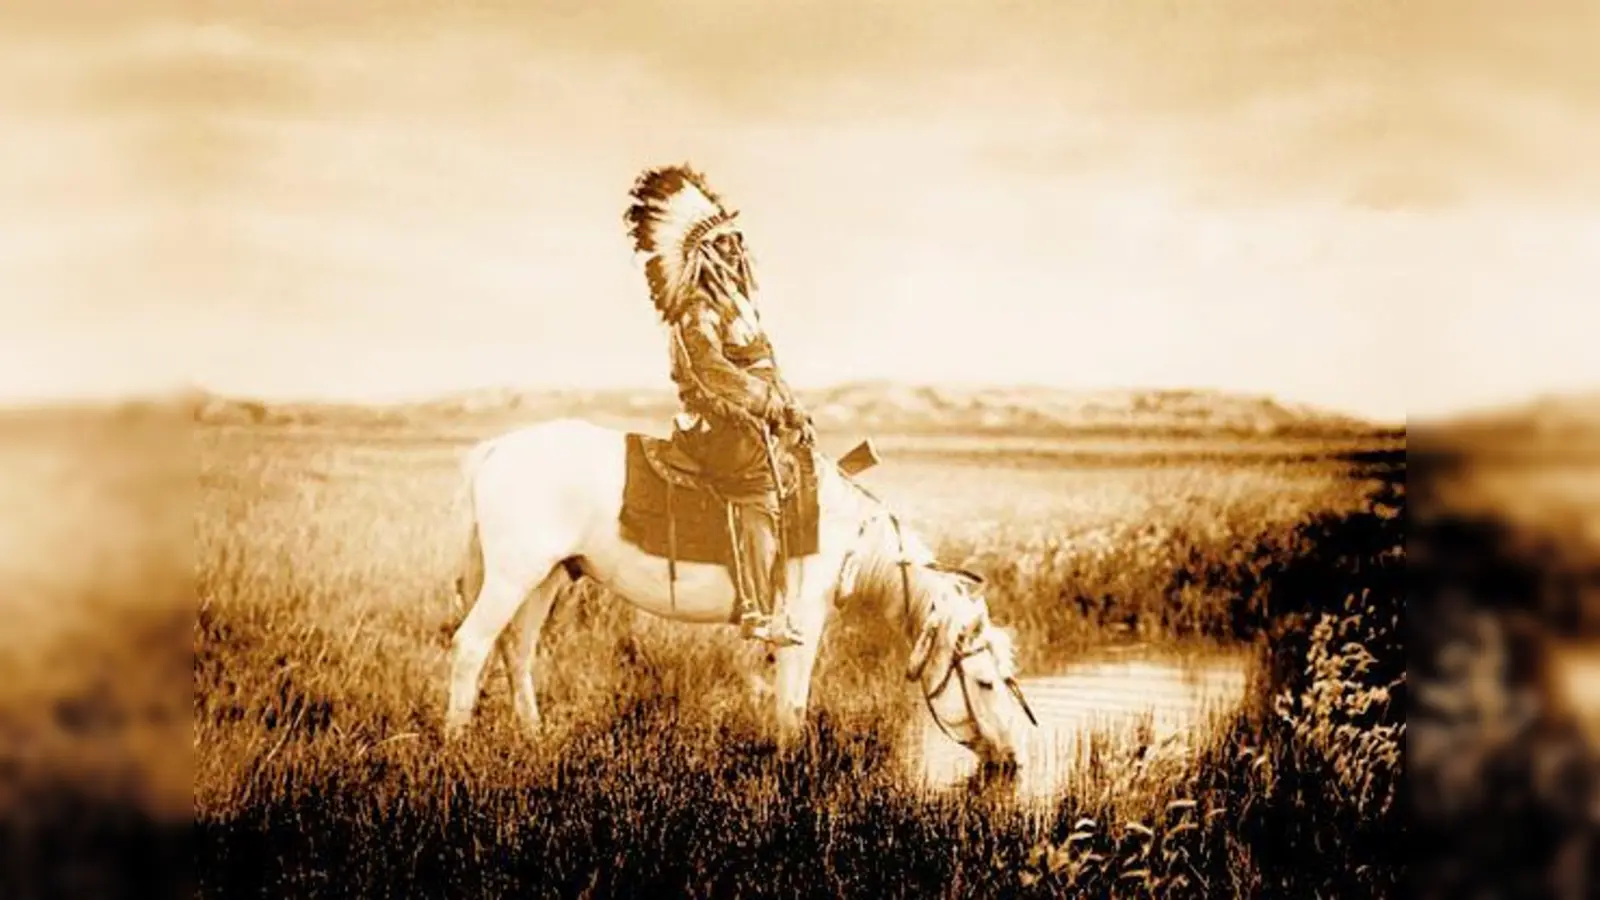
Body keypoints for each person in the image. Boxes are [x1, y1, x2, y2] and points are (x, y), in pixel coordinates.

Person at [624, 164, 815, 647]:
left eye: (736, 240)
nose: (735, 249)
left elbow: (764, 365)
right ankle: (757, 609)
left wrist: (791, 409)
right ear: (703, 254)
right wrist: (766, 403)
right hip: (717, 426)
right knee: (757, 487)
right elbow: (711, 373)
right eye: (723, 243)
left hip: (753, 419)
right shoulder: (696, 309)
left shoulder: (740, 307)